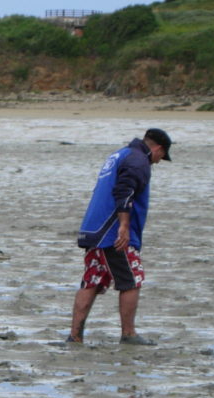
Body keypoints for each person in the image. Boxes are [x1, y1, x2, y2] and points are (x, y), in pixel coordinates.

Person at [68, 128, 172, 346]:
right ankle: (129, 334)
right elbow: (123, 191)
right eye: (162, 156)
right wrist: (124, 226)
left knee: (92, 281)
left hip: (94, 230)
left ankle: (75, 336)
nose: (159, 161)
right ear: (158, 148)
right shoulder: (138, 160)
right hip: (112, 234)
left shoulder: (120, 155)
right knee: (132, 280)